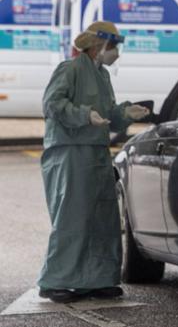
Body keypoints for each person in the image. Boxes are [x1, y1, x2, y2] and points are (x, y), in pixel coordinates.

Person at [37, 21, 150, 303]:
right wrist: (84, 115)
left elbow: (108, 112)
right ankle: (56, 280)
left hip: (96, 153)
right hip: (70, 153)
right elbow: (52, 104)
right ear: (97, 46)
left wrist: (126, 113)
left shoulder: (102, 76)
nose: (116, 53)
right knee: (73, 218)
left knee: (101, 219)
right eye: (113, 47)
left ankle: (97, 279)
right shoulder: (70, 69)